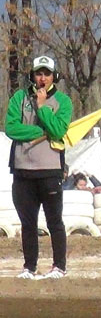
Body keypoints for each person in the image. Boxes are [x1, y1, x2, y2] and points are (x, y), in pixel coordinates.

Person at [4, 55, 73, 280]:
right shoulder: (20, 98)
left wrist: (43, 107)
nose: (42, 78)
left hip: (50, 171)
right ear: (32, 75)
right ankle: (29, 267)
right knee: (28, 223)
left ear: (54, 76)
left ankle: (59, 266)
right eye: (38, 73)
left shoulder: (63, 101)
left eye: (47, 74)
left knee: (54, 222)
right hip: (22, 170)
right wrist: (40, 132)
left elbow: (58, 130)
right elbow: (11, 128)